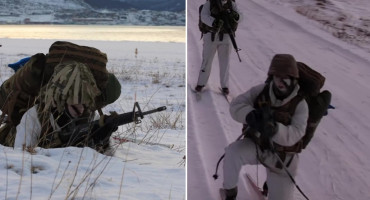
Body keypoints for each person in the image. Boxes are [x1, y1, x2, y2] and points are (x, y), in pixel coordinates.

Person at [222, 54, 309, 200]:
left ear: (294, 79)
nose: (280, 82)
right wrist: (249, 114)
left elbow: (296, 133)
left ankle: (272, 185)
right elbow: (236, 105)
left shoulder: (300, 105)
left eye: (285, 77)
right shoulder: (261, 91)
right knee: (232, 153)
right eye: (277, 76)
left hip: (282, 160)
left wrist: (274, 129)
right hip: (257, 146)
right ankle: (230, 193)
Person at [14, 61, 120, 155]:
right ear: (61, 99)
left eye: (85, 103)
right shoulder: (35, 116)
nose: (82, 109)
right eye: (75, 103)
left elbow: (108, 162)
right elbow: (22, 156)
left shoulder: (91, 117)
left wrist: (104, 141)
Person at [195, 0, 241, 94]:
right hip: (211, 36)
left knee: (225, 62)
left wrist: (236, 16)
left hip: (227, 37)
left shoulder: (231, 4)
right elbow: (204, 16)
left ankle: (225, 86)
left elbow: (240, 16)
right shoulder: (210, 3)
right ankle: (201, 84)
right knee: (207, 61)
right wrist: (215, 22)